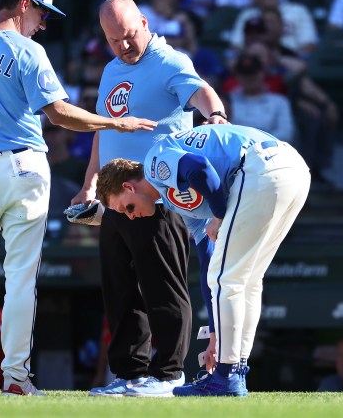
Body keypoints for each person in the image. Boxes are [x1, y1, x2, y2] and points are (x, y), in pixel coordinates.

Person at [0, 0, 157, 397]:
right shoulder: (27, 49)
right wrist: (113, 121)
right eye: (43, 13)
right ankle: (15, 378)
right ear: (26, 4)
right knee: (20, 277)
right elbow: (60, 115)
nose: (44, 24)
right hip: (23, 168)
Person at [71, 0, 227, 398]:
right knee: (119, 289)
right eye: (112, 40)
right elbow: (103, 130)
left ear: (143, 21)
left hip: (159, 194)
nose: (122, 46)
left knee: (163, 287)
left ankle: (168, 374)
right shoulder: (111, 69)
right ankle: (129, 373)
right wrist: (90, 182)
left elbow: (202, 93)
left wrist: (217, 118)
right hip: (115, 197)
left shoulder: (168, 61)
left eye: (126, 36)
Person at [95, 123, 311, 396]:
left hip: (262, 167)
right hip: (293, 169)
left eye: (126, 207)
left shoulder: (153, 163)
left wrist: (220, 214)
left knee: (228, 278)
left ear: (128, 185)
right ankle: (236, 369)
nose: (130, 216)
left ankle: (226, 374)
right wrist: (215, 334)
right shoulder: (171, 199)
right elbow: (208, 252)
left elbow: (198, 167)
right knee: (246, 278)